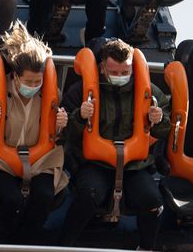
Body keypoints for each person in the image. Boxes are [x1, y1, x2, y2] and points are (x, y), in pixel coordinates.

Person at [60, 38, 170, 250]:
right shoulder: (81, 91)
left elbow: (164, 130)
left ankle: (146, 247)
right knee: (87, 195)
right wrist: (80, 116)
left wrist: (158, 120)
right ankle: (64, 245)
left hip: (134, 165)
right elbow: (66, 135)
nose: (121, 77)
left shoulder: (148, 92)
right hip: (95, 163)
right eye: (115, 72)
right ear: (102, 68)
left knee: (153, 202)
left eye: (125, 72)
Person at [0, 21, 68, 244]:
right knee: (12, 201)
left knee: (43, 196)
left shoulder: (52, 96)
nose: (33, 86)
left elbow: (56, 137)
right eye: (28, 81)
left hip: (40, 160)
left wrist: (61, 123)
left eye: (38, 81)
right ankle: (8, 241)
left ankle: (26, 243)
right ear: (15, 76)